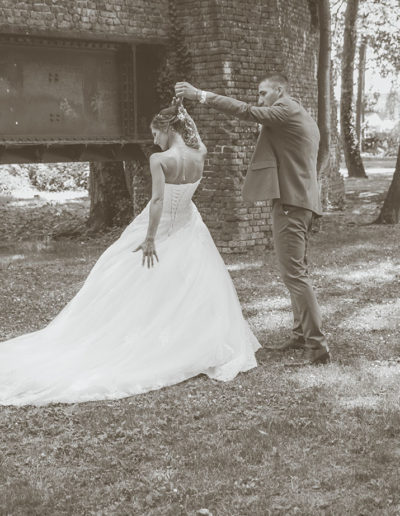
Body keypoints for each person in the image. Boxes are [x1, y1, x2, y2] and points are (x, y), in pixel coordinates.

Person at [0, 100, 260, 406]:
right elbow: (198, 140)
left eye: (155, 133)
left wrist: (150, 238)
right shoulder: (200, 154)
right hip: (190, 228)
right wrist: (186, 119)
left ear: (166, 129)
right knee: (187, 286)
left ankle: (143, 338)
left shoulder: (160, 159)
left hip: (163, 228)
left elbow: (159, 201)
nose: (153, 140)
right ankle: (180, 337)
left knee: (123, 275)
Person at [175, 74, 330, 365]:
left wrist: (200, 95)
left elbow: (246, 112)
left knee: (294, 274)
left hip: (290, 203)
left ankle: (317, 346)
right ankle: (301, 334)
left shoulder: (285, 110)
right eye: (258, 96)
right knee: (297, 271)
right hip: (302, 202)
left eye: (263, 94)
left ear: (279, 91)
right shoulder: (301, 115)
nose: (259, 100)